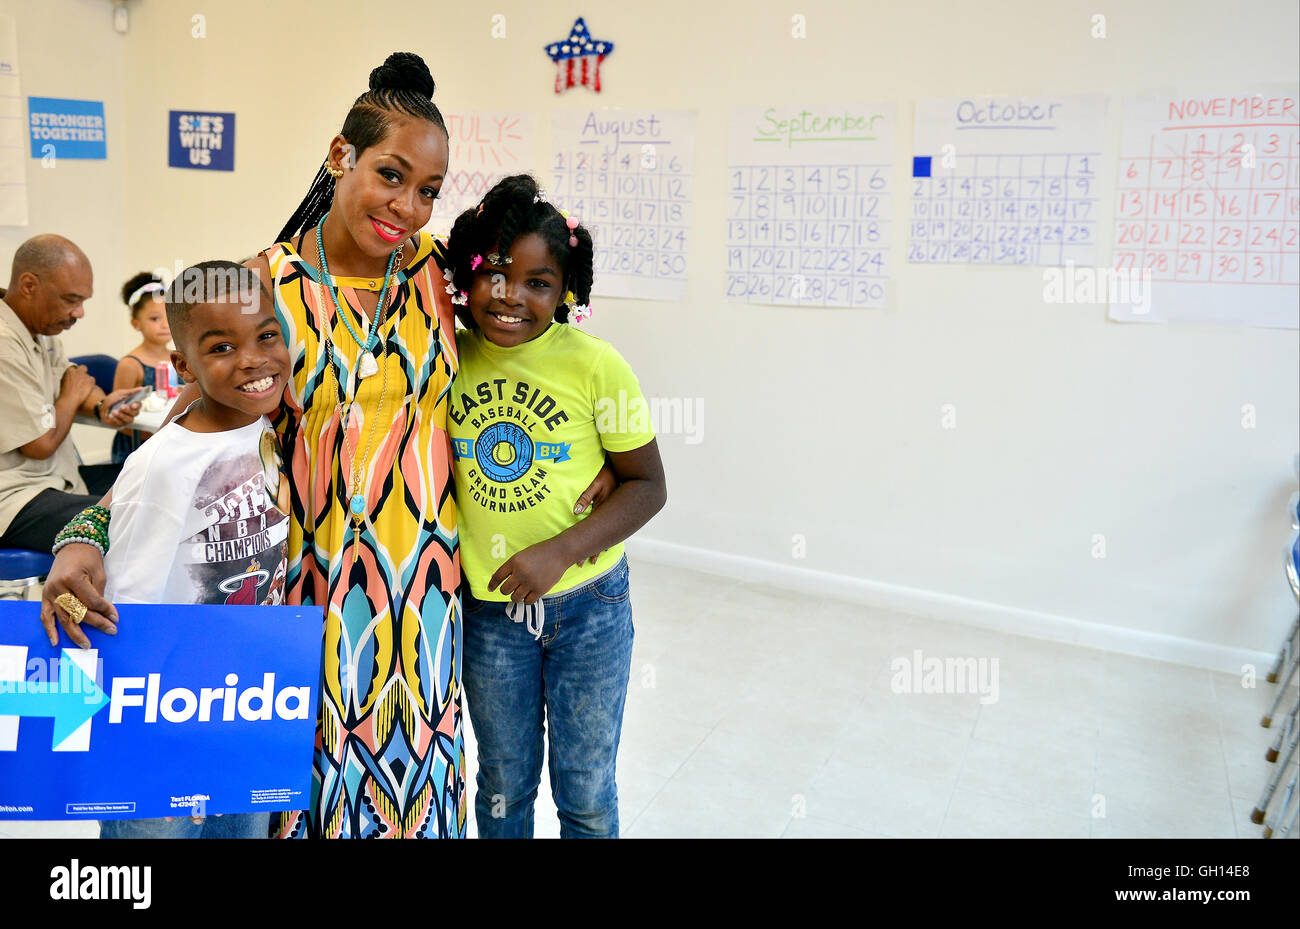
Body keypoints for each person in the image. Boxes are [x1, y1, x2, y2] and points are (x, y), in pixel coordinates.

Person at [39, 52, 610, 839]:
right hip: (299, 601)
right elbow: (181, 436)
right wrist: (82, 538)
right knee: (298, 803)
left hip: (425, 606)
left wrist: (607, 464)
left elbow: (538, 350)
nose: (408, 207)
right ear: (340, 156)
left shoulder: (441, 277)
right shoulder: (259, 286)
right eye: (391, 175)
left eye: (428, 191)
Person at [444, 175, 667, 838]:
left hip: (589, 610)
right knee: (504, 785)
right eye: (492, 273)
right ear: (466, 275)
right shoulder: (444, 355)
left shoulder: (596, 365)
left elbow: (648, 484)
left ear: (566, 292)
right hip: (491, 614)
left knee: (587, 791)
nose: (511, 296)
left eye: (538, 282)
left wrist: (562, 549)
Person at [71, 259, 291, 838]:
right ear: (183, 364)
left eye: (267, 335)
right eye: (222, 347)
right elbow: (126, 607)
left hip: (244, 706)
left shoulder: (260, 424)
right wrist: (155, 736)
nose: (253, 359)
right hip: (164, 723)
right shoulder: (166, 463)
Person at [0, 235, 143, 554]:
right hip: (12, 497)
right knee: (131, 521)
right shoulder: (4, 343)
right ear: (28, 285)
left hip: (51, 480)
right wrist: (71, 396)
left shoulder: (40, 330)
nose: (79, 313)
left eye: (83, 301)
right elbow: (40, 444)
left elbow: (75, 379)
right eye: (70, 299)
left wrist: (102, 405)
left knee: (149, 482)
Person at [110, 271, 172, 464]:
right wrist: (158, 434)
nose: (164, 325)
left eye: (169, 316)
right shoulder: (130, 365)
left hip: (169, 444)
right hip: (137, 449)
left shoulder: (178, 359)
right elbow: (119, 417)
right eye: (155, 319)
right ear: (136, 324)